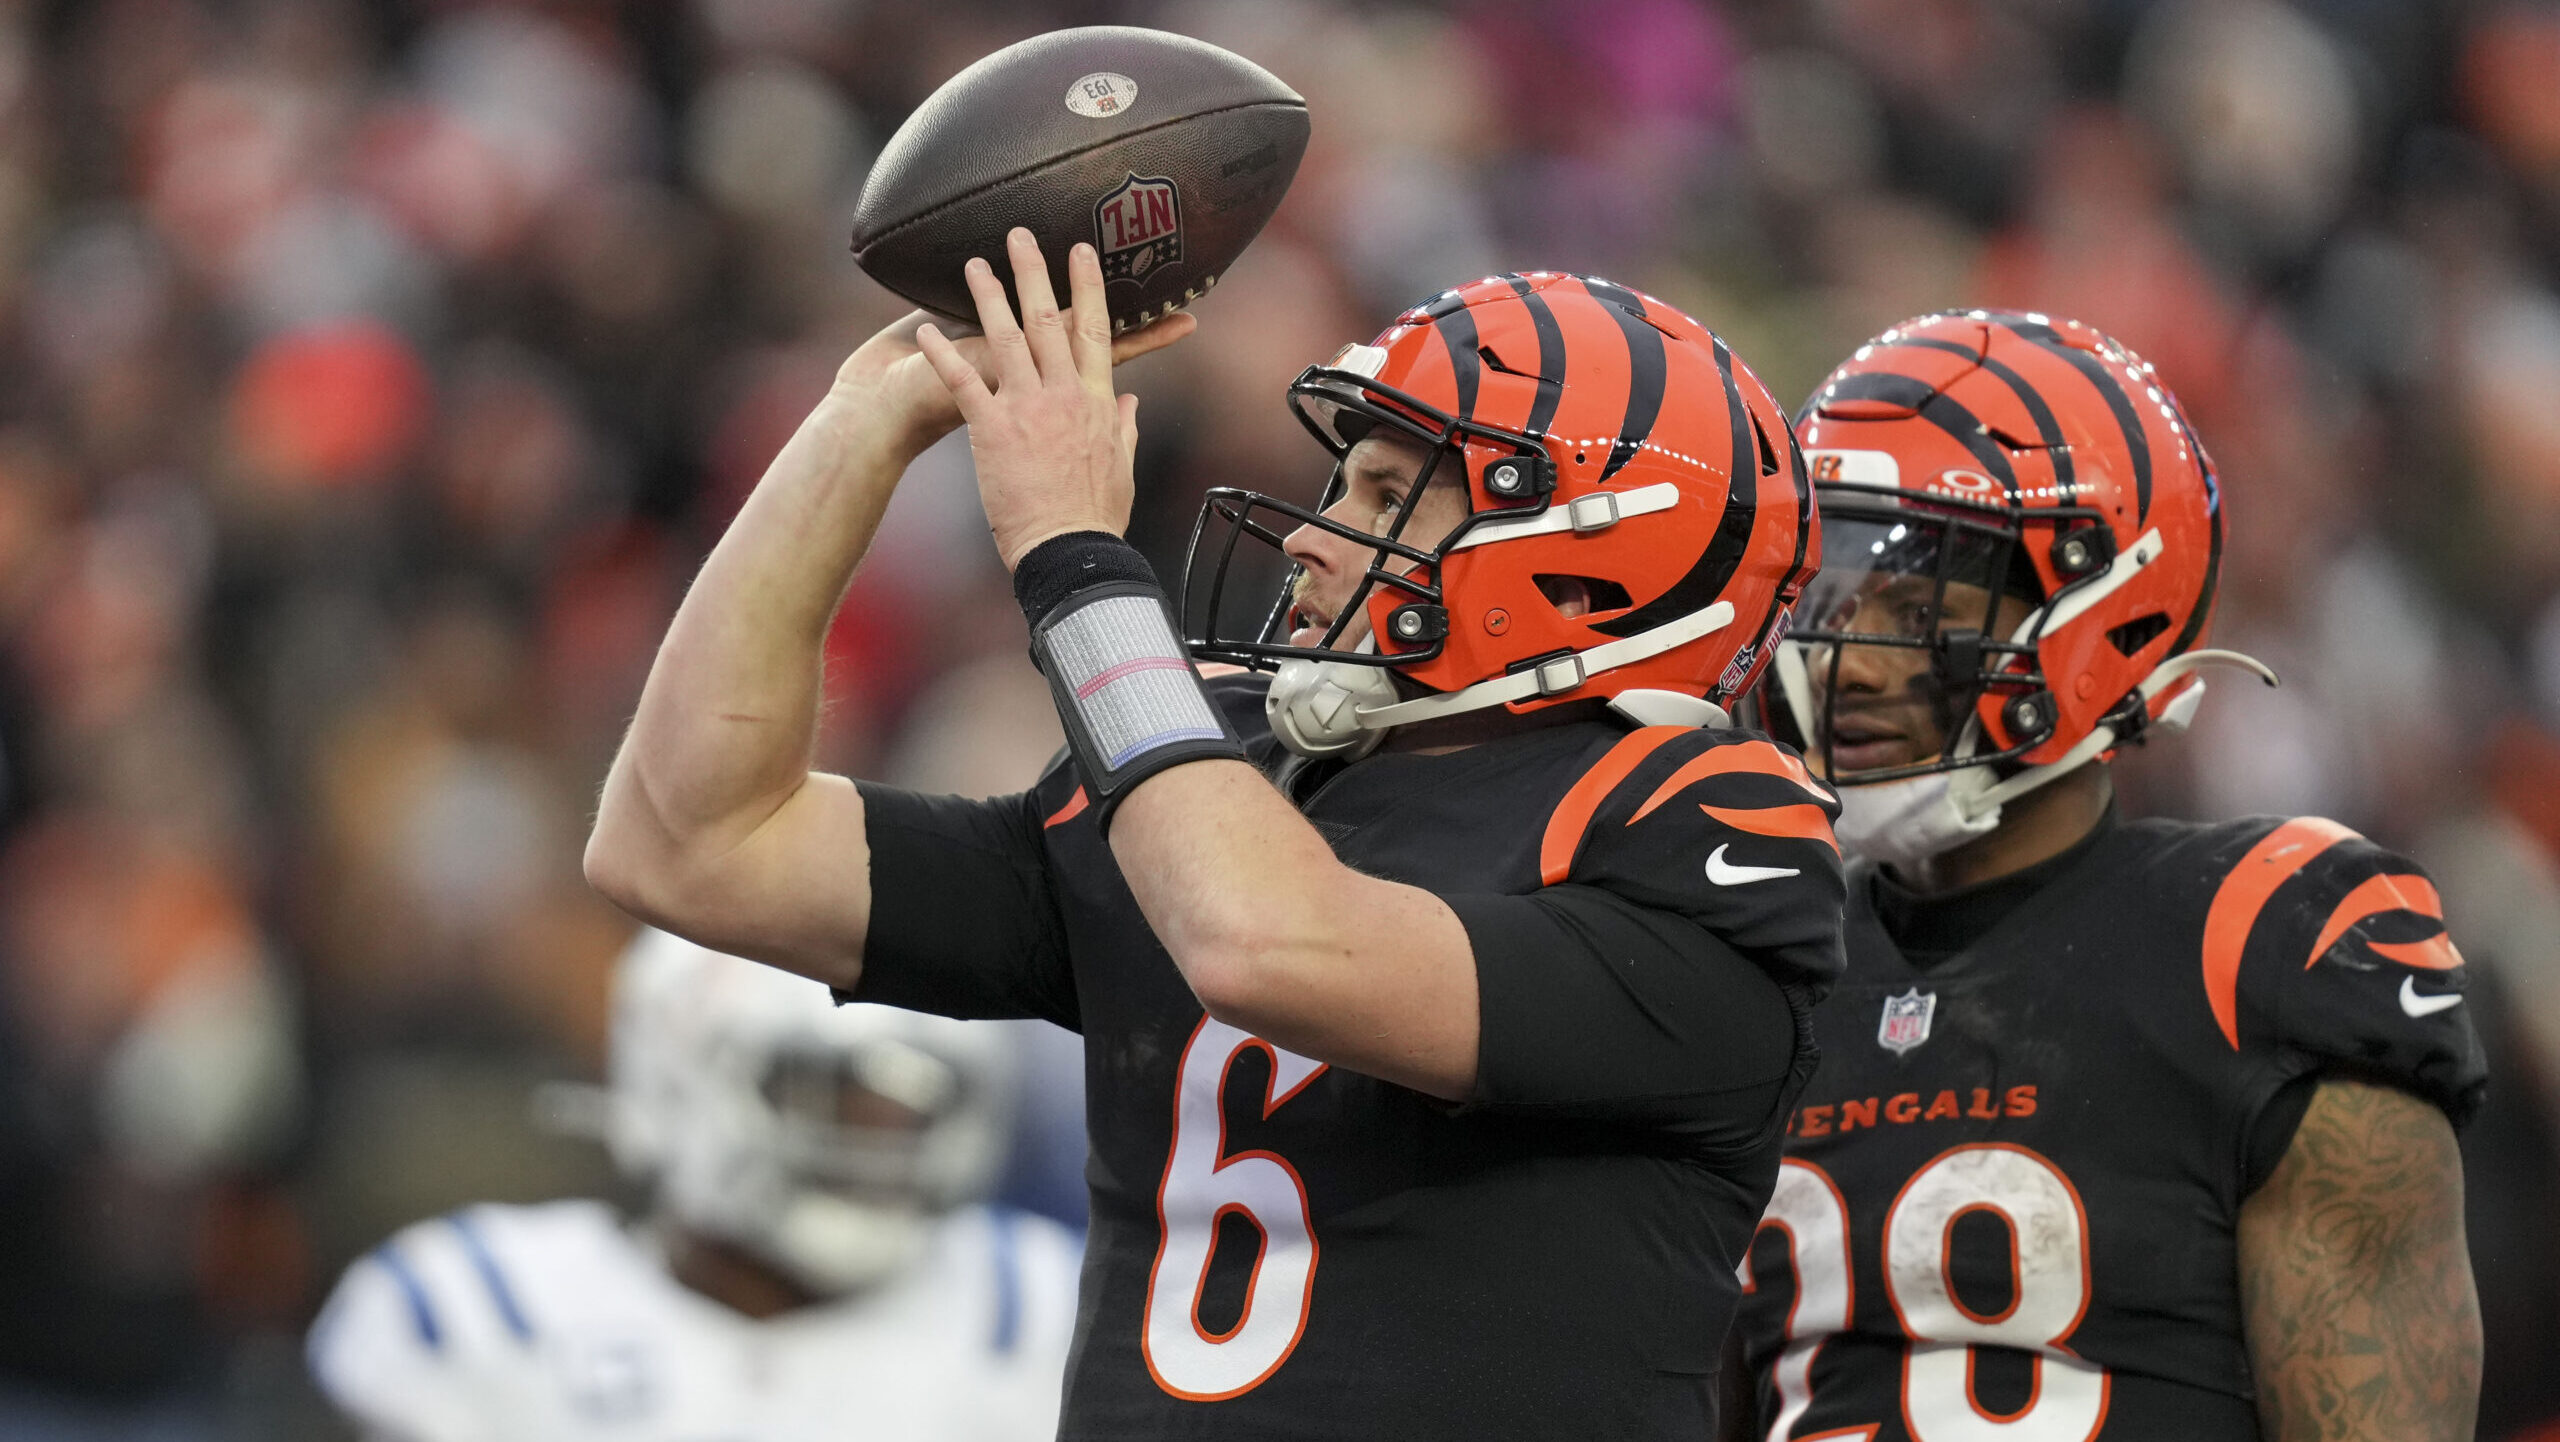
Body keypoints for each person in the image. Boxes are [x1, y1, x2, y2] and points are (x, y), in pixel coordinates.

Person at [582, 233, 1845, 1438]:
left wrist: (1077, 561)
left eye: (1385, 492)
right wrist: (860, 428)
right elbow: (690, 840)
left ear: (1579, 570)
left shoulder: (1699, 823)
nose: (1311, 531)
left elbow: (1267, 945)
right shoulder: (1235, 774)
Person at [1726, 310, 2488, 1441]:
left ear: (2098, 603)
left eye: (1921, 607)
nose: (1856, 664)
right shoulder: (1756, 964)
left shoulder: (2260, 941)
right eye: (1832, 599)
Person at [306, 928, 1080, 1441]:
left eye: (908, 1109)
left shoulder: (1039, 1313)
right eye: (825, 1097)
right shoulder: (474, 1315)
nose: (877, 1140)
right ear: (682, 1077)